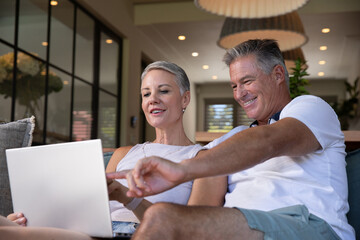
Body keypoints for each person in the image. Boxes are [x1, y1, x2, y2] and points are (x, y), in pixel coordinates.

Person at [111, 39, 355, 240]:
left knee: (161, 217)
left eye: (247, 81)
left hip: (309, 227)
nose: (240, 94)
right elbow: (194, 214)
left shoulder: (310, 109)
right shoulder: (226, 143)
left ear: (278, 74)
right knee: (164, 218)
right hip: (241, 229)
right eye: (234, 86)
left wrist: (182, 169)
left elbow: (268, 141)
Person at [1, 61, 207, 238]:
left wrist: (128, 197)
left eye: (163, 91)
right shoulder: (124, 154)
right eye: (146, 94)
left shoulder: (200, 159)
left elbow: (188, 232)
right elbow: (90, 210)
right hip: (92, 232)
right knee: (7, 225)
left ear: (185, 99)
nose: (152, 99)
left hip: (137, 234)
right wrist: (29, 217)